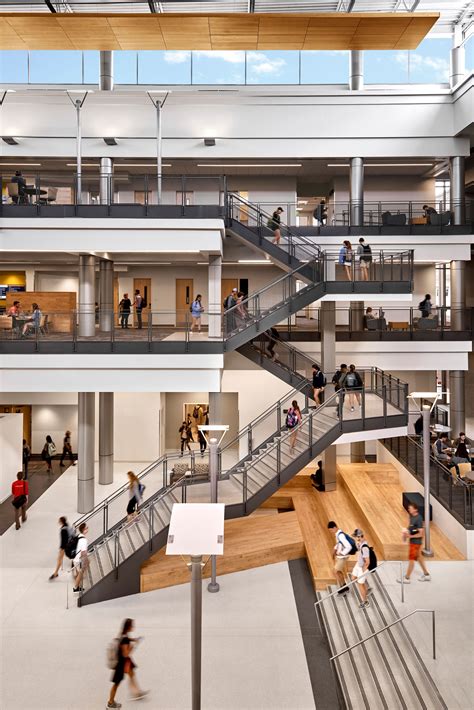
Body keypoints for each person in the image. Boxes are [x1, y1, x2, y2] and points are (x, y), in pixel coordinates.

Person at [107, 618, 148, 708]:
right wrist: (133, 646)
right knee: (116, 683)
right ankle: (110, 702)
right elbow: (126, 653)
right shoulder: (125, 639)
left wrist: (134, 639)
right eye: (132, 625)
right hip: (121, 664)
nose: (133, 627)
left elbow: (127, 639)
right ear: (128, 627)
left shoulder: (123, 635)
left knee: (132, 673)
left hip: (125, 662)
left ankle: (136, 692)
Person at [397, 502, 430, 583]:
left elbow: (421, 534)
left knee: (411, 559)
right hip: (413, 542)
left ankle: (407, 578)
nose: (409, 509)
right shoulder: (412, 517)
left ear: (415, 509)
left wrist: (410, 536)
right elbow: (411, 528)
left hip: (415, 543)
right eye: (409, 508)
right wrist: (406, 532)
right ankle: (426, 575)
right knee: (419, 558)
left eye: (410, 508)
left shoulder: (418, 518)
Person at [327, 521, 354, 594]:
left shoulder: (340, 535)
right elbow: (339, 543)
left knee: (335, 571)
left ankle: (342, 587)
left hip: (342, 557)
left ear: (335, 527)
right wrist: (334, 550)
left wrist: (342, 553)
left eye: (331, 530)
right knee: (338, 571)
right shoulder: (338, 534)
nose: (331, 532)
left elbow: (348, 546)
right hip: (340, 557)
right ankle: (344, 586)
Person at [351, 529, 371, 608]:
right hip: (358, 564)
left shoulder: (364, 548)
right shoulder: (360, 543)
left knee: (360, 584)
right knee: (353, 578)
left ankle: (365, 602)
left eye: (357, 537)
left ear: (360, 537)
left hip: (363, 567)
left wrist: (363, 571)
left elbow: (367, 562)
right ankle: (365, 589)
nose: (356, 538)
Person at [49, 516, 73, 581]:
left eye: (59, 521)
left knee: (59, 559)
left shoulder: (63, 530)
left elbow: (63, 540)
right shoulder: (67, 526)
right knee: (67, 557)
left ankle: (55, 573)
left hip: (64, 547)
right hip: (68, 545)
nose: (58, 522)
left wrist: (61, 548)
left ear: (62, 521)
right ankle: (56, 573)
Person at [72, 521, 89, 592]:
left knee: (78, 573)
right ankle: (76, 587)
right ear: (84, 530)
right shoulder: (84, 540)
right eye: (86, 528)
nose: (87, 529)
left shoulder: (79, 536)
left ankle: (77, 585)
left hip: (75, 558)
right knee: (80, 573)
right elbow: (83, 552)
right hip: (79, 560)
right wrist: (85, 561)